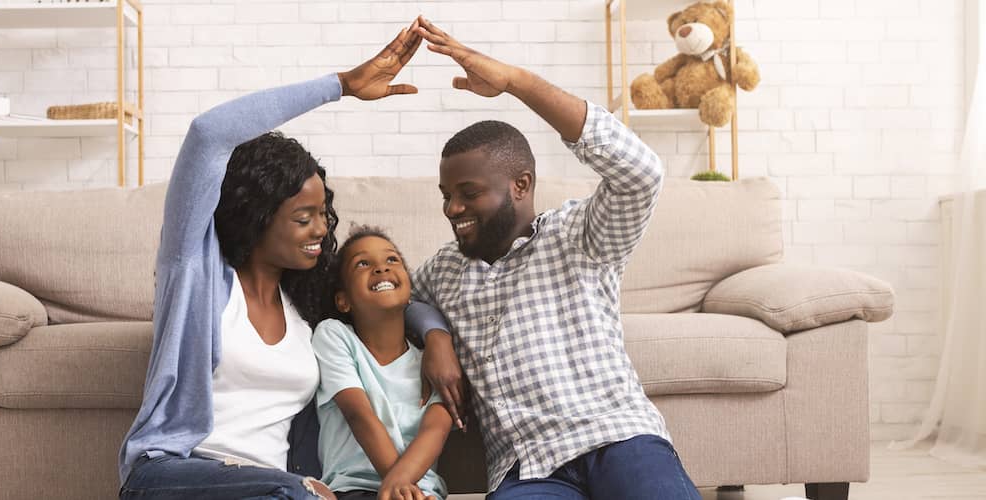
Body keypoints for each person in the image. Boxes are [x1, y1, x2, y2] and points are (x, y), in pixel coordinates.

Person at [118, 20, 425, 500]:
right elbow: (208, 133)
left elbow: (399, 295)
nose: (322, 230)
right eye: (304, 217)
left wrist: (438, 336)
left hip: (276, 489)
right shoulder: (196, 275)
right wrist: (340, 85)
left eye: (323, 214)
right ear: (258, 216)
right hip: (176, 476)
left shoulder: (309, 309)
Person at [404, 18, 702, 500]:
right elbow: (402, 300)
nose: (451, 208)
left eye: (468, 193)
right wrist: (435, 335)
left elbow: (642, 173)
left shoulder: (579, 234)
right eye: (446, 194)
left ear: (520, 185)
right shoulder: (445, 269)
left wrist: (517, 83)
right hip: (528, 469)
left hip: (618, 438)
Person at [313, 226, 452, 500]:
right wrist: (399, 488)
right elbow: (359, 415)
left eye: (392, 260)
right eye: (363, 263)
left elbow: (435, 429)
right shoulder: (334, 335)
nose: (381, 268)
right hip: (353, 489)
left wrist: (406, 487)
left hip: (422, 492)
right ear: (343, 300)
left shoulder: (431, 363)